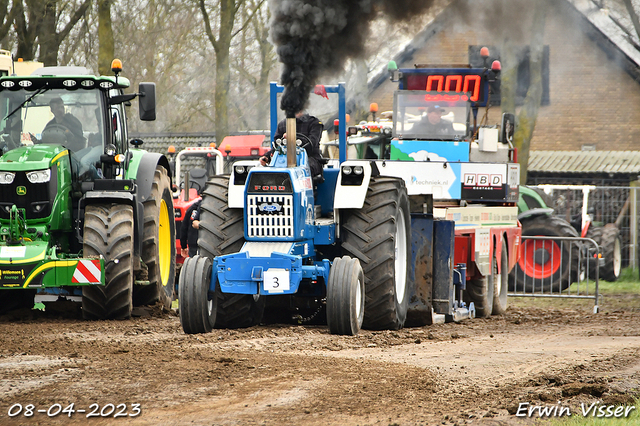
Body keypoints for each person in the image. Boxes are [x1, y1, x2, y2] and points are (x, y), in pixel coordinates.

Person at [260, 110, 324, 178]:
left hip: (310, 157)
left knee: (306, 169)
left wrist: (293, 137)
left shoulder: (314, 123)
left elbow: (312, 143)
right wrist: (267, 156)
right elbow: (277, 147)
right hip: (284, 159)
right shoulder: (283, 124)